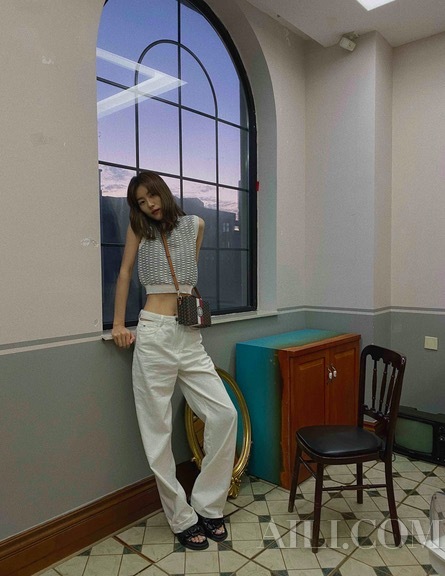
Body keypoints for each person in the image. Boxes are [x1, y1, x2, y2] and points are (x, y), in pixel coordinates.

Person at [111, 170, 238, 550]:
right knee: (157, 431)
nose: (149, 204)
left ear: (163, 192)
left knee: (224, 415)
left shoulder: (195, 225)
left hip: (188, 335)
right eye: (140, 201)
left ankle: (208, 505)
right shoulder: (140, 230)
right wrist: (118, 324)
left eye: (151, 195)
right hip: (153, 333)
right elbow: (124, 273)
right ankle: (181, 517)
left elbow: (186, 280)